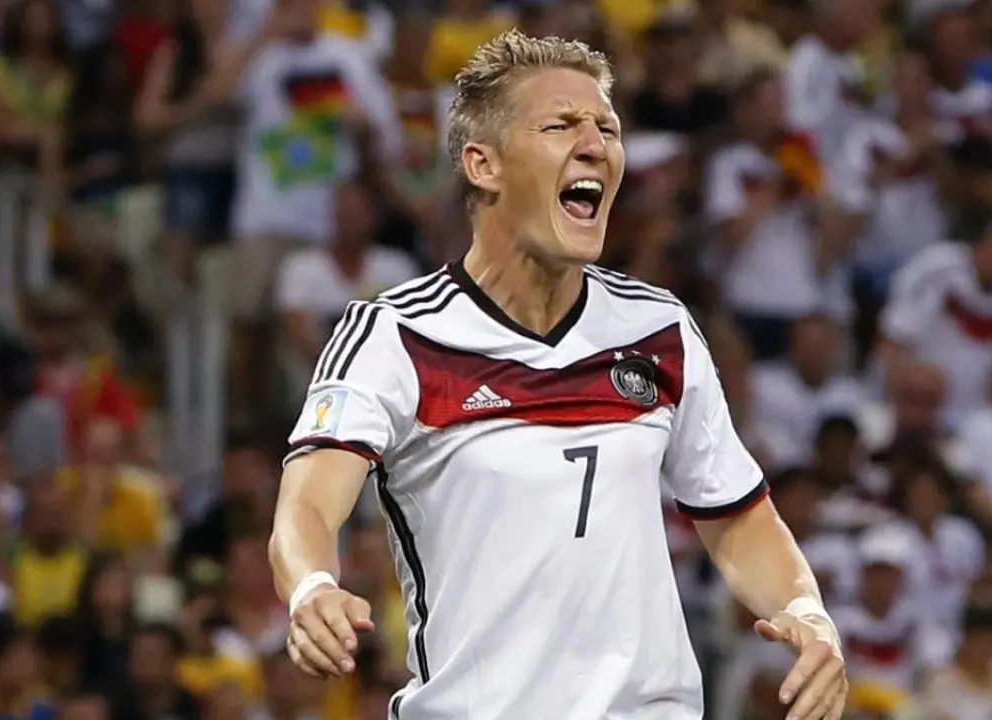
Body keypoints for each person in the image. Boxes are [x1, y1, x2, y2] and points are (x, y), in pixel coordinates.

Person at [269, 30, 849, 720]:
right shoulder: (397, 335)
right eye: (561, 125)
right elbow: (308, 504)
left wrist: (806, 612)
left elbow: (738, 516)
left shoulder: (658, 328)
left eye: (608, 128)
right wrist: (312, 586)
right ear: (484, 164)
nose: (596, 145)